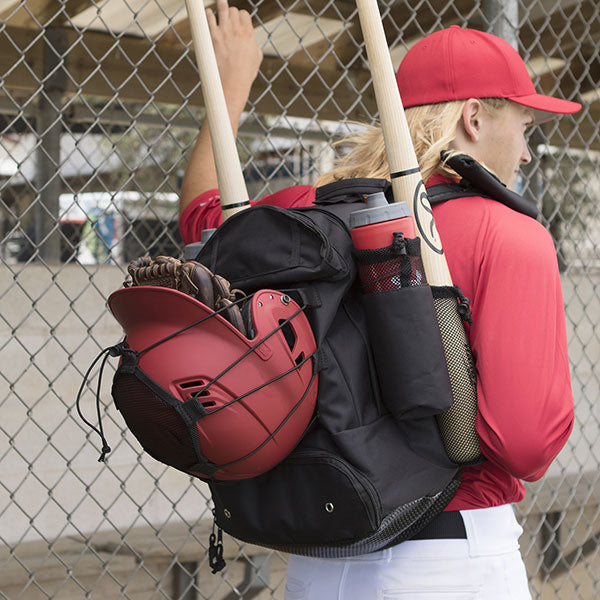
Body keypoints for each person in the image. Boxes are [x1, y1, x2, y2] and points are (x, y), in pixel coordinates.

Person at [180, 3, 577, 598]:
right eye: (524, 127)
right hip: (452, 560)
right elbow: (524, 443)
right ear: (473, 117)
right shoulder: (511, 233)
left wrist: (233, 78)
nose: (525, 153)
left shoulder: (305, 213)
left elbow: (203, 221)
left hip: (320, 558)